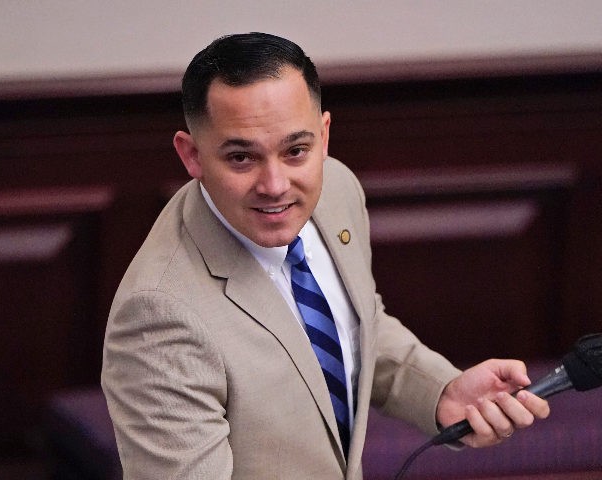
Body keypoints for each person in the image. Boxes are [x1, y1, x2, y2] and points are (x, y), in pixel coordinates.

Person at [101, 32, 550, 479]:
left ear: (324, 136)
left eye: (296, 151)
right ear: (192, 155)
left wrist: (440, 391)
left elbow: (351, 320)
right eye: (241, 158)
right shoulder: (157, 317)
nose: (275, 185)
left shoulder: (335, 189)